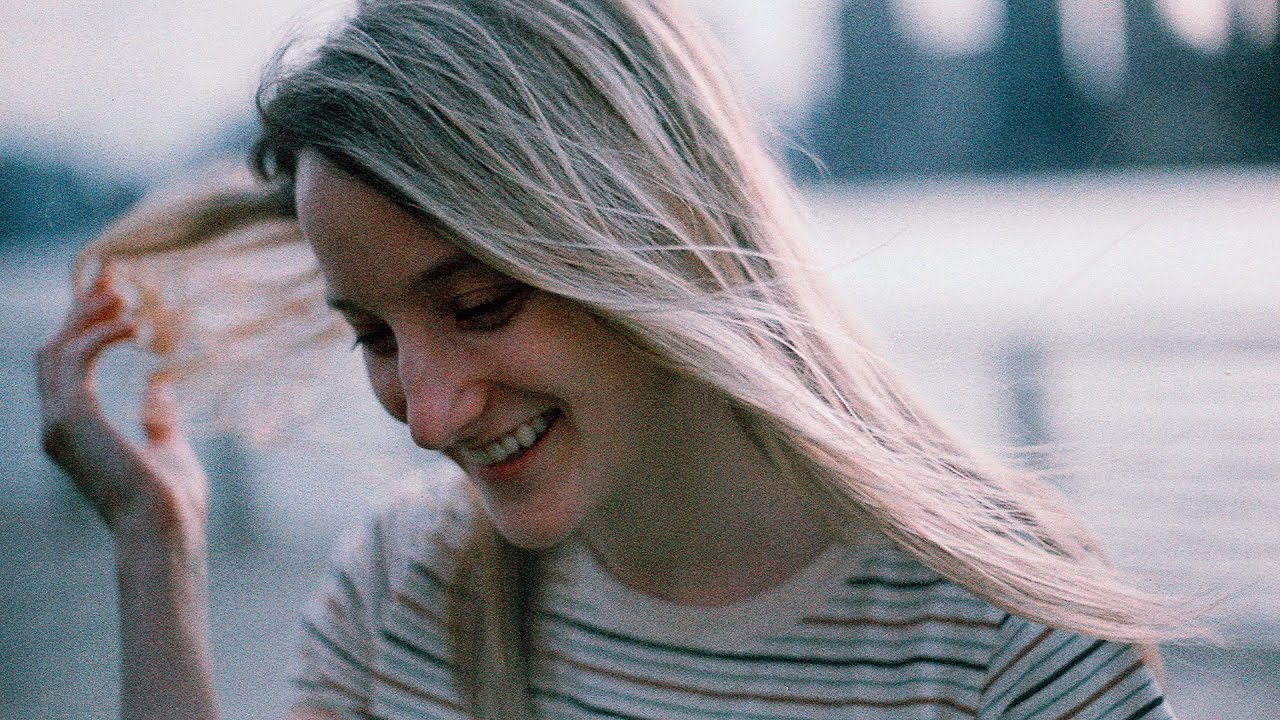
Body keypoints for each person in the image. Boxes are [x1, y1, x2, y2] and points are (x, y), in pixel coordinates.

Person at [37, 0, 1202, 718]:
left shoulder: (997, 638)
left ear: (648, 233)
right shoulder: (401, 590)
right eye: (374, 337)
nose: (428, 416)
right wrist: (154, 552)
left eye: (479, 304)